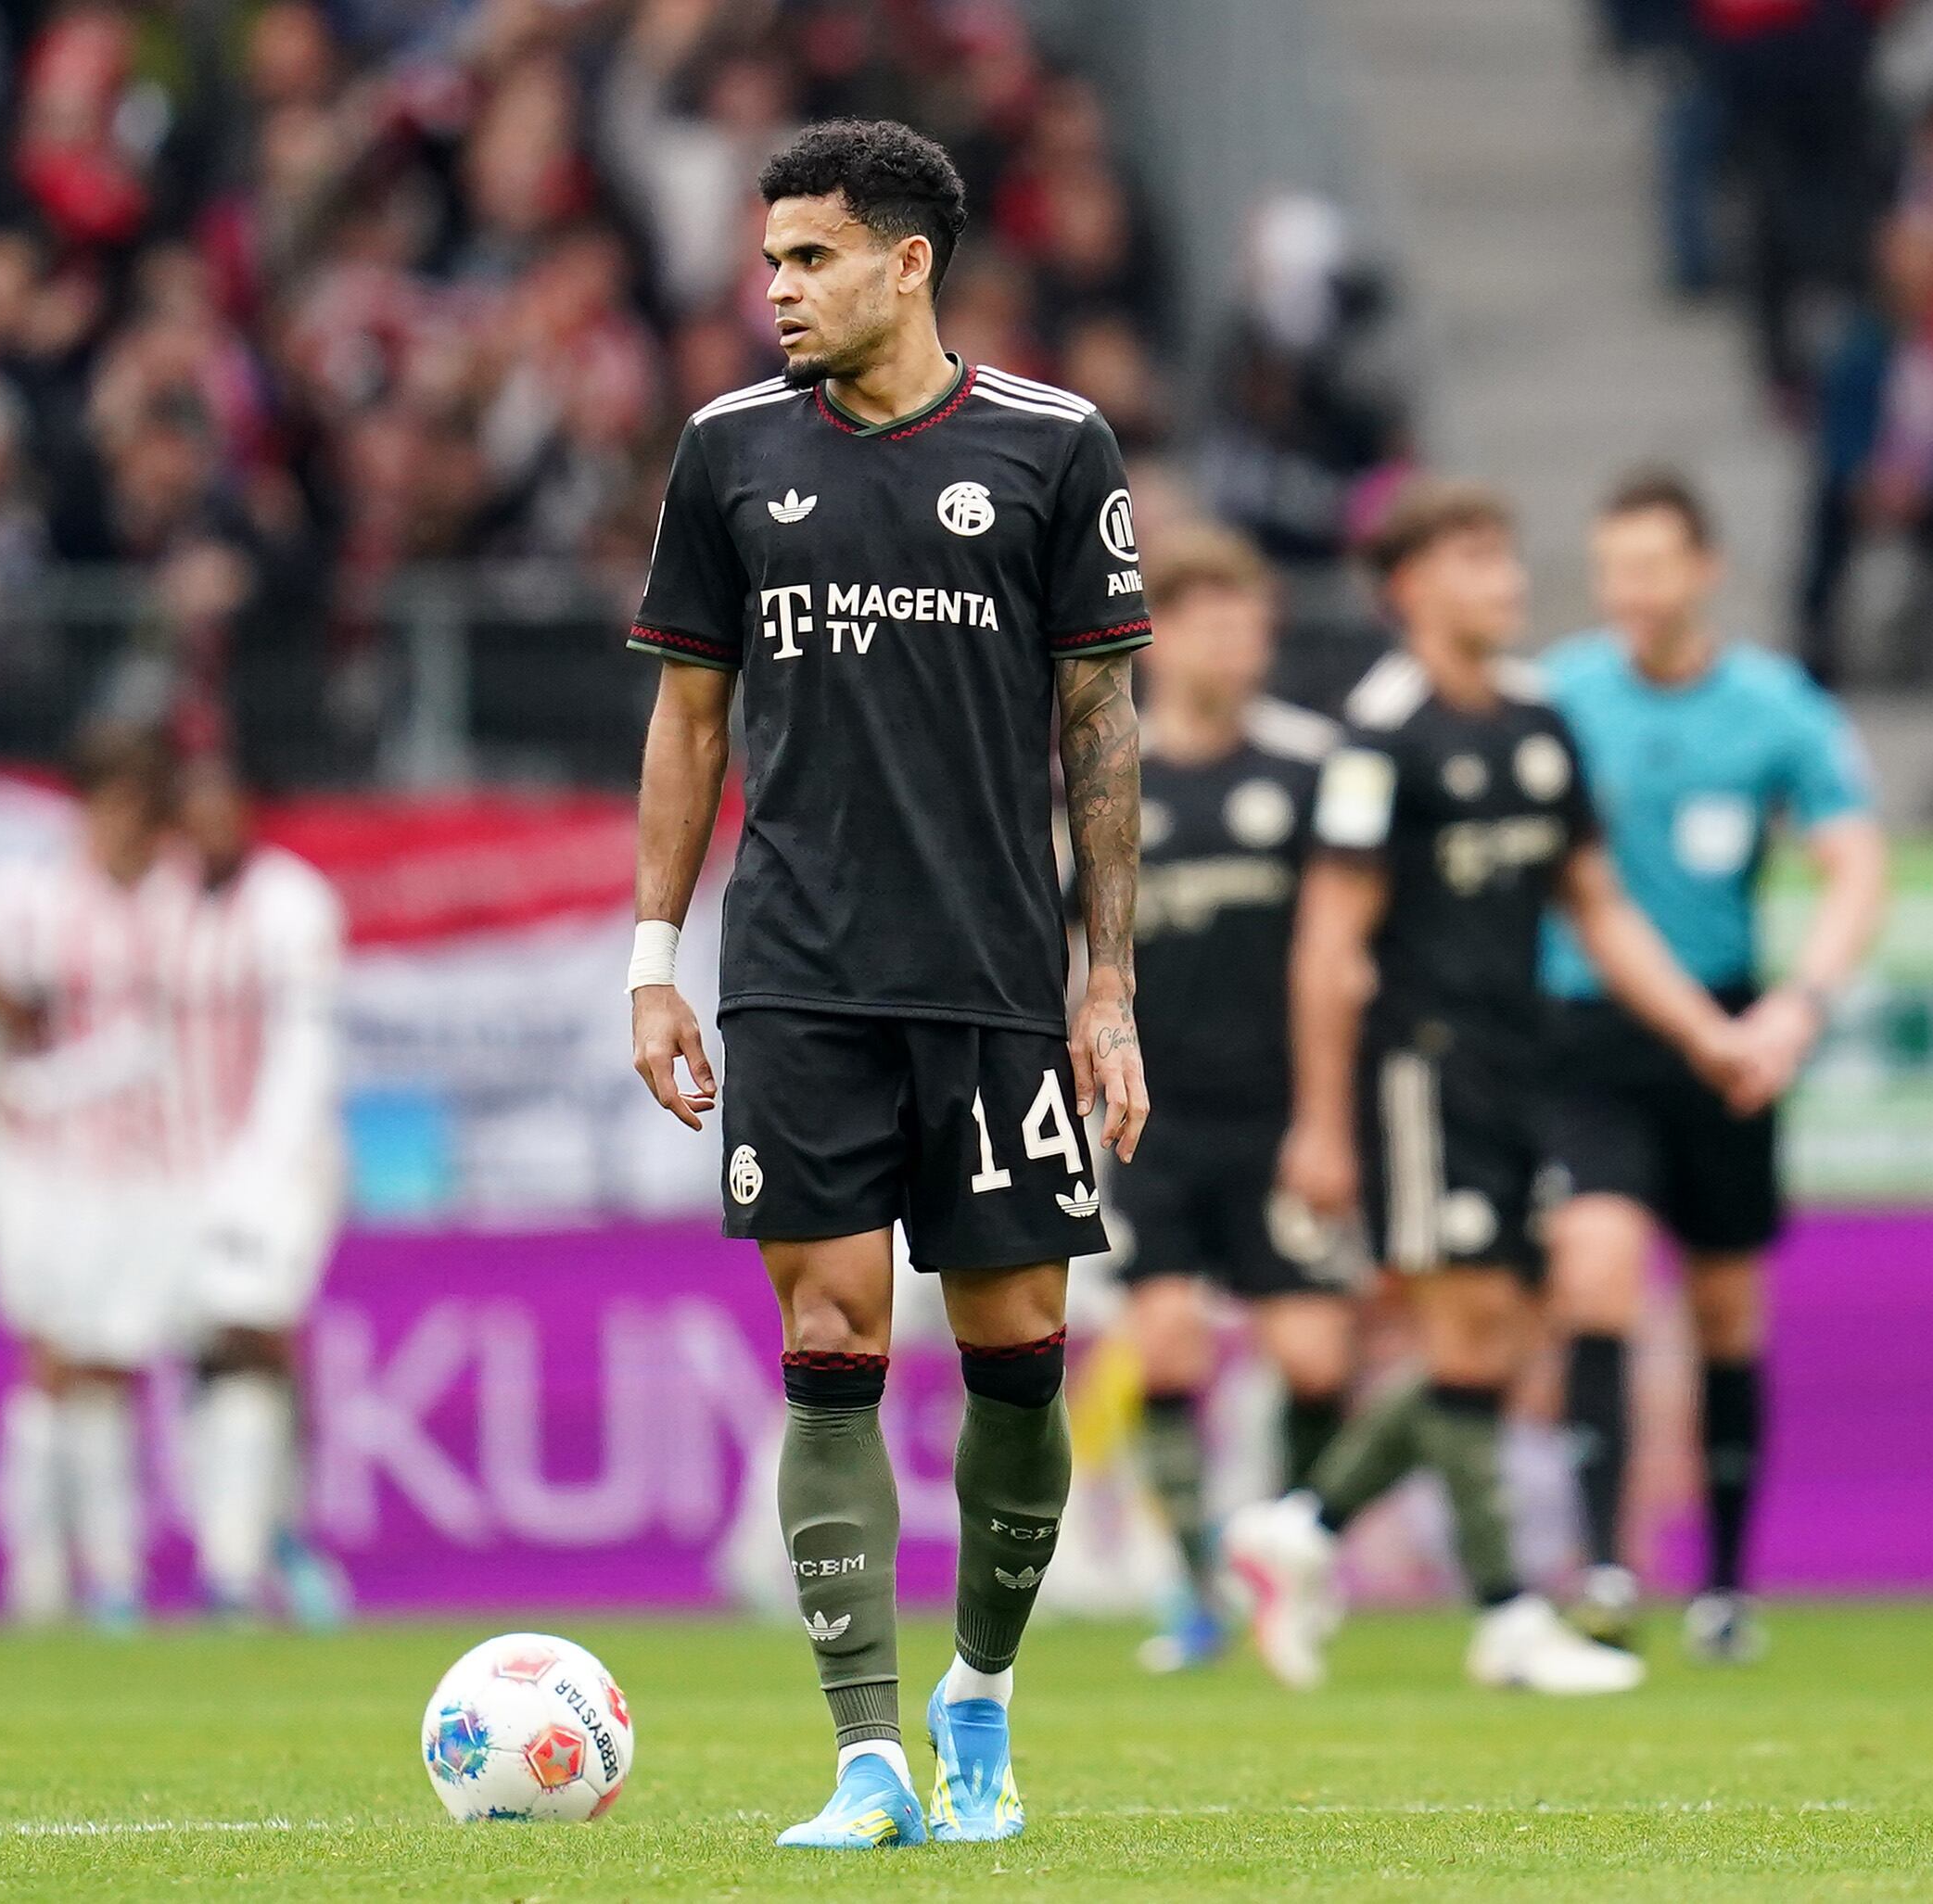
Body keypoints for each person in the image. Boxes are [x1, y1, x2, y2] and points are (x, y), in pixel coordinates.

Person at [626, 119, 1151, 1850]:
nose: (776, 287)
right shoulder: (723, 454)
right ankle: (863, 1756)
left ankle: (979, 1693)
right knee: (827, 1338)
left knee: (1015, 1350)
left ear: (906, 262)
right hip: (797, 976)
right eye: (768, 258)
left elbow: (1098, 724)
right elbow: (689, 718)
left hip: (1000, 979)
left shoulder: (1052, 447)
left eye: (810, 257)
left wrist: (1109, 984)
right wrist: (654, 958)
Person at [1221, 480, 1772, 1695]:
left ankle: (1299, 1526)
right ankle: (1510, 1613)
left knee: (1516, 1334)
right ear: (1409, 586)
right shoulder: (1381, 735)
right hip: (1421, 1071)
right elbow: (1328, 942)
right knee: (1463, 1325)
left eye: (1507, 557)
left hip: (1527, 1064)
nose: (1507, 581)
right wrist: (1321, 1121)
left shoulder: (1536, 720)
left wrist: (1700, 1031)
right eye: (1475, 559)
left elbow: (1597, 905)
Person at [1541, 471, 1889, 1665]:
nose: (1628, 592)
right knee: (1593, 1269)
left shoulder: (1775, 707)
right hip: (1588, 1024)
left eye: (1650, 566)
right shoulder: (1560, 697)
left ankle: (1728, 1584)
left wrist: (1799, 1007)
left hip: (1736, 1033)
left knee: (1726, 1304)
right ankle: (1600, 1562)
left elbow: (1854, 862)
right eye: (1611, 569)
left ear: (1704, 570)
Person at [1103, 524, 1363, 1675]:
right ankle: (1199, 1592)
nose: (1236, 642)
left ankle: (1289, 1563)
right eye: (1211, 621)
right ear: (1160, 639)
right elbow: (1075, 948)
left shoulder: (1312, 766)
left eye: (1251, 621)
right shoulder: (1109, 772)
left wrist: (1330, 1117)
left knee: (1314, 1357)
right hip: (1152, 1117)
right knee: (1164, 1349)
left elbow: (1348, 951)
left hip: (1280, 1115)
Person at [0, 720, 193, 1629]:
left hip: (139, 1165)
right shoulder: (15, 897)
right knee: (53, 1348)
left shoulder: (177, 907)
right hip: (29, 1154)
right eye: (115, 807)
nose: (128, 829)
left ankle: (110, 1566)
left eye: (144, 812)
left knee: (111, 1355)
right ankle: (35, 1566)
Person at [164, 753, 354, 1625]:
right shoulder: (162, 907)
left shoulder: (294, 904)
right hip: (177, 1172)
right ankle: (270, 1531)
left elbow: (302, 1059)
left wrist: (251, 1180)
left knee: (251, 1335)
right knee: (212, 1352)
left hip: (279, 1170)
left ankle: (234, 1568)